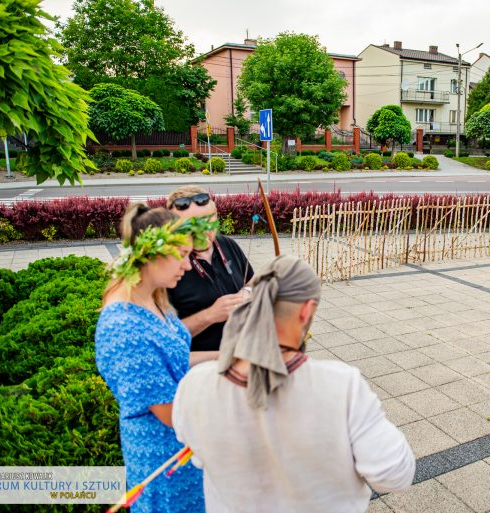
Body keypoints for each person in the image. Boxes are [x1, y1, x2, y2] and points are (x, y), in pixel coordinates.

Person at [172, 255, 416, 513]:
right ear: (306, 310)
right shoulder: (341, 385)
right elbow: (394, 475)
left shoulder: (195, 384)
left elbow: (198, 456)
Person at [95, 203, 219, 513]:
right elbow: (168, 411)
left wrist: (227, 356)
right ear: (151, 255)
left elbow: (174, 362)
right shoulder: (123, 327)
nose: (189, 266)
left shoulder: (154, 299)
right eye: (181, 256)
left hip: (186, 451)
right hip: (164, 465)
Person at [167, 186, 253, 358]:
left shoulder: (227, 244)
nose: (204, 230)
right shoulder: (167, 266)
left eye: (208, 220)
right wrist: (210, 315)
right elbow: (165, 339)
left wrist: (247, 293)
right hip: (200, 373)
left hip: (245, 358)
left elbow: (252, 280)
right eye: (191, 224)